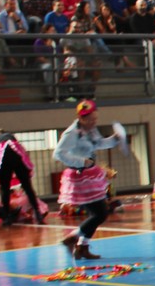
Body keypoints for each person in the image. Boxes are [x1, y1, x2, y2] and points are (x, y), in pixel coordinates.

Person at [52, 100, 125, 260]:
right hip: (80, 176)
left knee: (98, 213)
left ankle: (82, 247)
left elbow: (98, 144)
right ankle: (74, 237)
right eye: (91, 119)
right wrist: (81, 161)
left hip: (90, 174)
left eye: (95, 119)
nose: (94, 122)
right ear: (81, 118)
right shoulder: (72, 133)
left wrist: (114, 139)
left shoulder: (90, 130)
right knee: (100, 213)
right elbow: (58, 153)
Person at [0, 130, 45, 224]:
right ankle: (37, 212)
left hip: (2, 155)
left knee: (5, 188)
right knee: (27, 186)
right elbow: (20, 149)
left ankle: (7, 216)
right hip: (15, 150)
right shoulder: (9, 135)